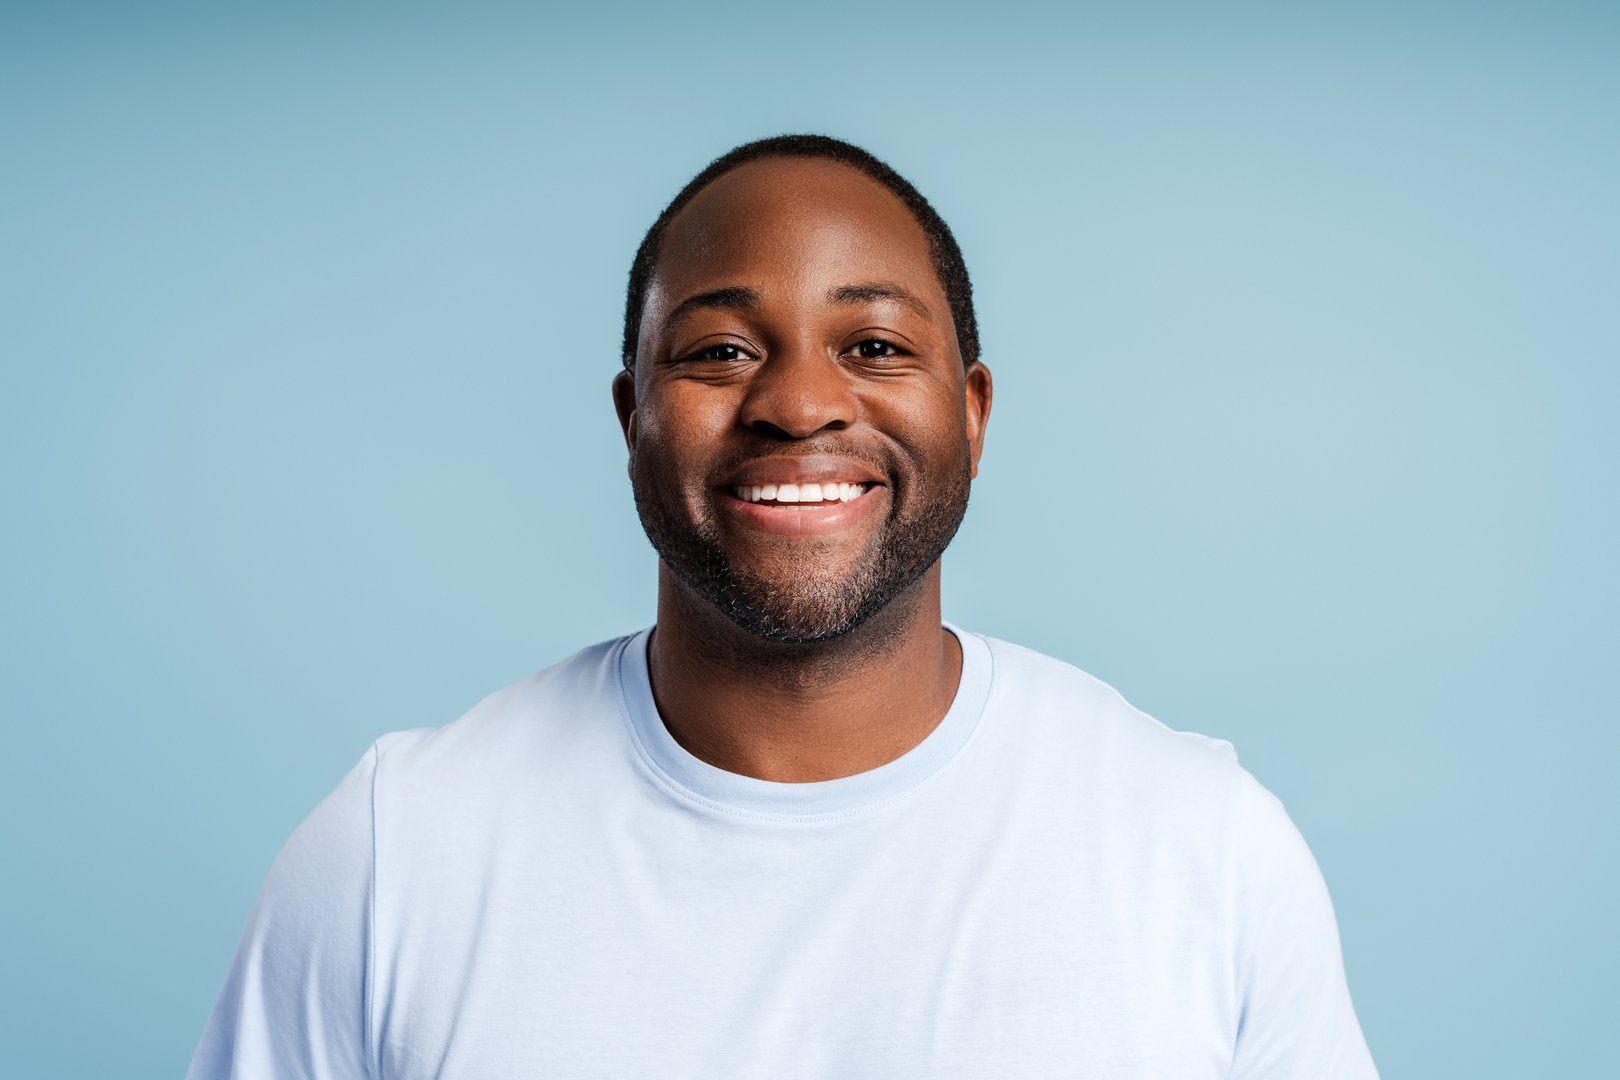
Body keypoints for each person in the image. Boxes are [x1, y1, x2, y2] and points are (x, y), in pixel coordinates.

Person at [187, 134, 1378, 1078]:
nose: (799, 402)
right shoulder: (399, 851)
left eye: (870, 343)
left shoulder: (1200, 847)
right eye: (718, 352)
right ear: (631, 417)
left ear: (971, 410)